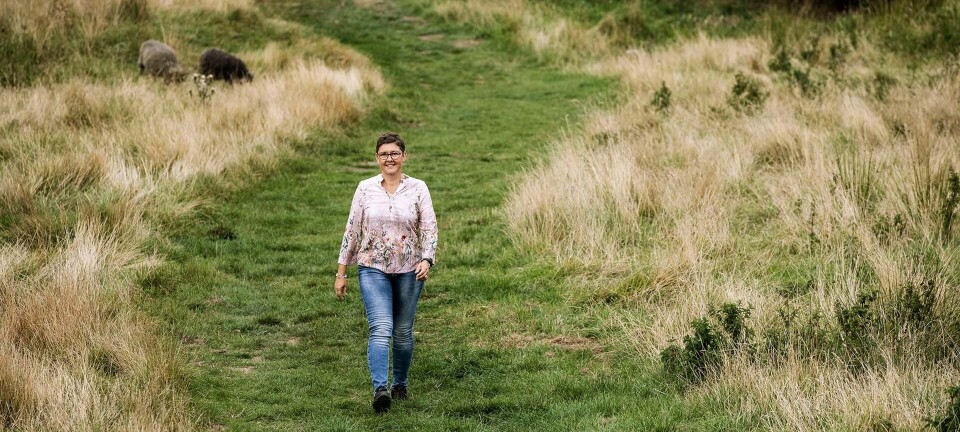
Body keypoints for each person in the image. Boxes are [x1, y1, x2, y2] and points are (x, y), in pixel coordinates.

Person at [335, 131, 438, 414]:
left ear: (404, 156)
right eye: (384, 154)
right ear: (377, 158)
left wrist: (427, 260)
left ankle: (400, 384)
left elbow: (429, 228)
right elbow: (352, 230)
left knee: (403, 332)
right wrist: (342, 271)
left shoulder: (418, 188)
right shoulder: (365, 188)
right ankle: (381, 389)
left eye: (394, 153)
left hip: (410, 269)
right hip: (372, 267)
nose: (389, 158)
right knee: (381, 329)